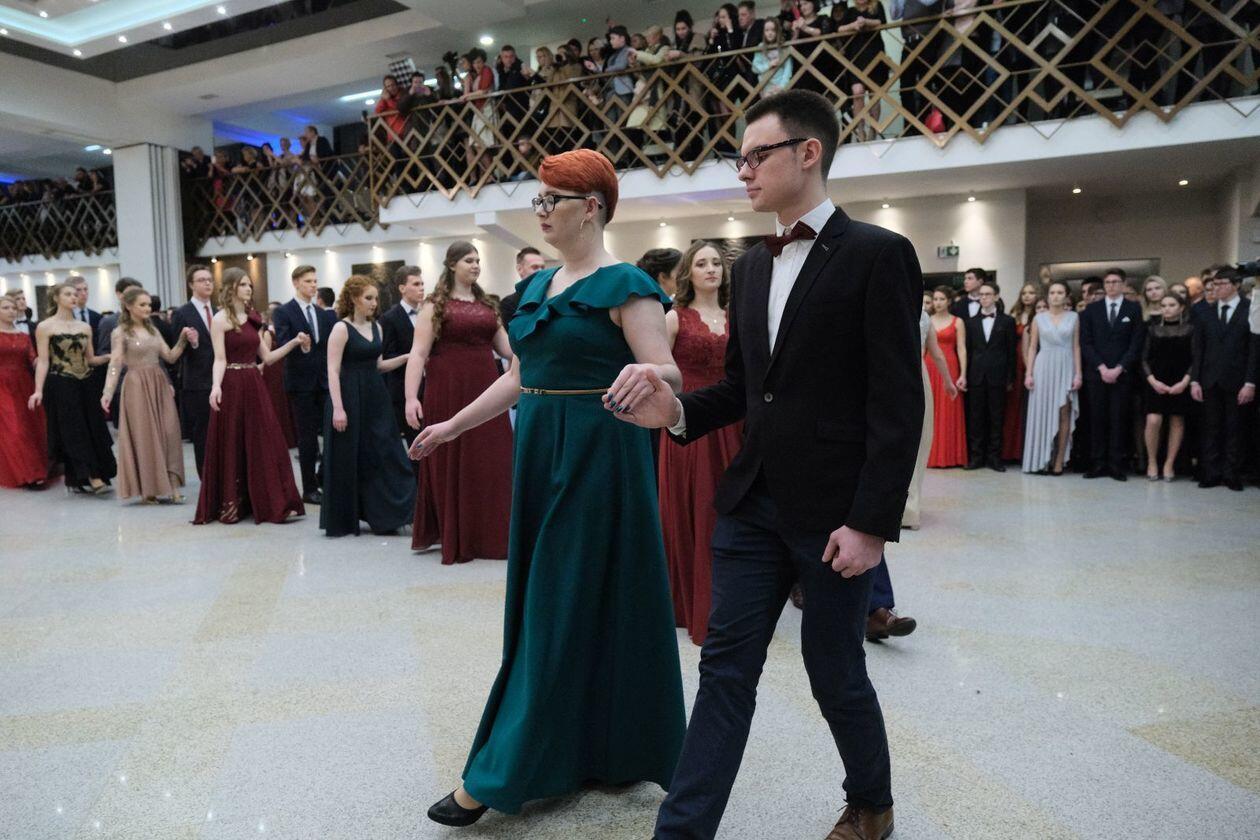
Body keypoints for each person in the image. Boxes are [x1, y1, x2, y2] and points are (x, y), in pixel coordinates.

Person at [618, 90, 920, 840]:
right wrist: (676, 413)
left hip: (834, 514)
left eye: (757, 155)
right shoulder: (752, 266)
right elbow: (743, 390)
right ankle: (681, 832)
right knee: (725, 669)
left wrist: (871, 524)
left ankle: (872, 802)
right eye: (741, 157)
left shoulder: (879, 254)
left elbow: (896, 404)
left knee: (834, 669)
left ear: (807, 153)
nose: (744, 170)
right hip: (751, 503)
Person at [413, 149, 685, 826]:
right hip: (539, 453)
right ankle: (593, 746)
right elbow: (519, 378)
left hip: (600, 454)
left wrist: (647, 377)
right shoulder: (537, 287)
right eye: (538, 199)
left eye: (549, 200)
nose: (539, 212)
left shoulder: (627, 285)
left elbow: (668, 370)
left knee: (557, 606)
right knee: (564, 599)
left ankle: (498, 772)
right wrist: (452, 425)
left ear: (590, 207)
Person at [403, 241, 513, 564]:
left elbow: (507, 349)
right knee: (451, 458)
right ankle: (456, 532)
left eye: (478, 260)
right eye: (469, 260)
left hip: (486, 388)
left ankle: (492, 533)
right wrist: (410, 397)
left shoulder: (486, 304)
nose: (476, 265)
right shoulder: (434, 304)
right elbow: (418, 353)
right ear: (452, 264)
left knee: (491, 458)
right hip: (447, 390)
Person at [657, 240, 743, 646]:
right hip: (690, 420)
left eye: (716, 263)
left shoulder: (735, 316)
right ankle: (692, 603)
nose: (711, 269)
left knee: (733, 509)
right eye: (702, 263)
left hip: (734, 421)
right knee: (697, 507)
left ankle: (733, 602)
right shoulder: (674, 317)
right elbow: (656, 371)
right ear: (688, 273)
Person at [194, 269, 309, 525]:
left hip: (254, 384)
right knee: (233, 441)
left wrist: (293, 343)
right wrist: (216, 386)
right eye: (243, 284)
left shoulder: (252, 318)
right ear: (231, 287)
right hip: (232, 384)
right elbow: (219, 359)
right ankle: (234, 503)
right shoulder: (220, 319)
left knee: (265, 441)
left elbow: (267, 357)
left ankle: (273, 502)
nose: (249, 289)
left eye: (250, 285)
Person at [321, 276, 416, 536]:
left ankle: (389, 513)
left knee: (385, 452)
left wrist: (408, 357)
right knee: (350, 456)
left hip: (375, 398)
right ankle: (349, 516)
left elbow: (379, 365)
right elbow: (332, 370)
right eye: (369, 298)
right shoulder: (341, 328)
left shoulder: (377, 327)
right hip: (349, 398)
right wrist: (338, 408)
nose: (374, 303)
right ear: (354, 299)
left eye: (376, 298)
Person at [100, 288, 197, 503]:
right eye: (142, 305)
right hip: (135, 385)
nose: (147, 308)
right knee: (144, 436)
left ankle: (172, 486)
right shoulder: (120, 332)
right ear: (128, 306)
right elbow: (115, 363)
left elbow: (170, 357)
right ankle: (149, 490)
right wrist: (107, 392)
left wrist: (182, 339)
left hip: (158, 382)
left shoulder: (153, 330)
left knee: (169, 432)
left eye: (148, 304)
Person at [28, 283, 115, 494]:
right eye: (68, 294)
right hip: (61, 384)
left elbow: (90, 359)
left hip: (86, 383)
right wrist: (38, 390)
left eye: (75, 294)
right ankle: (91, 476)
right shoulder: (45, 327)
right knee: (73, 430)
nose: (74, 297)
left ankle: (94, 474)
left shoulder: (84, 327)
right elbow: (43, 361)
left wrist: (111, 357)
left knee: (93, 427)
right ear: (56, 298)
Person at [272, 265, 337, 505]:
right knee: (307, 438)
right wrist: (300, 344)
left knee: (331, 432)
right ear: (296, 283)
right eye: (308, 281)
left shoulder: (324, 314)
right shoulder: (283, 312)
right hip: (300, 383)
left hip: (324, 382)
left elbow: (328, 348)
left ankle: (323, 476)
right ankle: (309, 488)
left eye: (315, 281)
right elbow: (282, 342)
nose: (313, 285)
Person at [1190, 270, 1257, 491]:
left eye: (1221, 283)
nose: (1216, 288)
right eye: (1214, 284)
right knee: (1211, 427)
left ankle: (1231, 473)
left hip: (1238, 379)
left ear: (1236, 285)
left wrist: (1250, 382)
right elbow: (1198, 348)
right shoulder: (1206, 312)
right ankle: (1211, 472)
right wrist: (1195, 380)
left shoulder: (1250, 309)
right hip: (1210, 379)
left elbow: (1254, 349)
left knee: (1235, 428)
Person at [1079, 268, 1145, 480]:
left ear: (1123, 284)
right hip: (1096, 373)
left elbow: (1136, 343)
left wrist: (1119, 368)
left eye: (1116, 282)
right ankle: (1097, 463)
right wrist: (1101, 367)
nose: (1111, 286)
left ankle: (1116, 465)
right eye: (1108, 282)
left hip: (1122, 374)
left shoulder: (1133, 309)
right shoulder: (1091, 310)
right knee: (1097, 419)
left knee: (1118, 419)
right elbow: (1086, 343)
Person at [1021, 281, 1081, 475]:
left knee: (1064, 412)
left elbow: (1076, 347)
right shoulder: (1038, 318)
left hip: (1065, 365)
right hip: (1043, 366)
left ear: (1066, 296)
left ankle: (1058, 461)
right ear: (1048, 296)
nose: (1055, 296)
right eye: (1052, 292)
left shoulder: (1074, 317)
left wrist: (1078, 373)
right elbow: (1032, 347)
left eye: (1060, 292)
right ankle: (1040, 459)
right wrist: (1029, 373)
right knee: (1041, 412)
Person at [905, 306, 957, 528]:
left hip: (891, 375)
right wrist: (948, 382)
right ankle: (910, 511)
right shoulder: (923, 316)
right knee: (918, 441)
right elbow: (936, 353)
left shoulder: (890, 307)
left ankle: (894, 509)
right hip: (917, 376)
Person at [962, 282, 1017, 471]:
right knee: (976, 418)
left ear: (996, 296)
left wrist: (1010, 378)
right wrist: (965, 375)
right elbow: (968, 351)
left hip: (998, 376)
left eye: (988, 294)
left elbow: (1011, 352)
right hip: (976, 376)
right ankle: (976, 457)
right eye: (981, 295)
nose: (984, 297)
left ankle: (995, 458)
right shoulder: (970, 322)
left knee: (996, 418)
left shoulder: (1007, 321)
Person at [1141, 293, 1195, 481]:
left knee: (1176, 420)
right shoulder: (1152, 329)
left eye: (1172, 305)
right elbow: (1144, 358)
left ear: (1181, 307)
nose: (1167, 308)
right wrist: (1153, 381)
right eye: (1164, 305)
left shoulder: (1190, 329)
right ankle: (1152, 461)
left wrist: (1185, 382)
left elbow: (1195, 358)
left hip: (1181, 381)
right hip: (1156, 381)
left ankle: (1169, 463)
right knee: (1153, 420)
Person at [170, 265, 217, 477]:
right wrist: (193, 343)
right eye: (201, 280)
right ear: (191, 285)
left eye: (210, 279)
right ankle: (205, 476)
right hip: (198, 382)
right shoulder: (182, 313)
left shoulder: (219, 311)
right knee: (203, 433)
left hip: (221, 378)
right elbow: (175, 350)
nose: (207, 283)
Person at [0, 295, 47, 488]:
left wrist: (46, 362)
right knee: (14, 428)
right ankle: (29, 474)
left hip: (23, 384)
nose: (11, 311)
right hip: (2, 386)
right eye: (5, 308)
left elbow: (33, 360)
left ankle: (32, 469)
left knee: (28, 427)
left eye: (13, 308)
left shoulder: (24, 336)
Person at [379, 265, 426, 447]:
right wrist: (410, 357)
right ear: (402, 288)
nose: (421, 288)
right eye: (416, 284)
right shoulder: (389, 318)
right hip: (403, 388)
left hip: (431, 385)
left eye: (422, 284)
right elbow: (386, 355)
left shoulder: (428, 314)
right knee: (416, 443)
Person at [835, 0, 889, 142]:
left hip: (875, 54)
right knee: (857, 92)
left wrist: (866, 22)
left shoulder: (877, 6)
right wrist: (853, 25)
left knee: (874, 95)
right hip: (856, 56)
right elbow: (840, 29)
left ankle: (873, 130)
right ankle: (860, 130)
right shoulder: (851, 11)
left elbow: (882, 22)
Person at [927, 286, 967, 467]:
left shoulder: (958, 322)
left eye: (941, 299)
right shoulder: (927, 320)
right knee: (930, 409)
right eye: (935, 299)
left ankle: (950, 456)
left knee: (948, 410)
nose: (937, 303)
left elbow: (962, 348)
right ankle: (930, 455)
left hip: (950, 366)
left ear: (949, 301)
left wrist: (963, 374)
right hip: (929, 366)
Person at [1003, 281, 1038, 461]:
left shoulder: (1040, 314)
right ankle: (1010, 451)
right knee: (1013, 406)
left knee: (1029, 405)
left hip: (1033, 360)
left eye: (1031, 293)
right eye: (1024, 293)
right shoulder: (1014, 315)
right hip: (1014, 361)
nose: (1027, 296)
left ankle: (1026, 450)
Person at [496, 247, 546, 325]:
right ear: (519, 269)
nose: (541, 271)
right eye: (535, 267)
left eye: (542, 267)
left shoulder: (550, 296)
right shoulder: (508, 303)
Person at [751, 16, 794, 96]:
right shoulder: (760, 47)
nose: (770, 33)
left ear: (777, 31)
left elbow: (788, 69)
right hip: (765, 85)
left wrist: (782, 86)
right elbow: (755, 68)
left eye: (773, 30)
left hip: (780, 85)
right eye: (767, 30)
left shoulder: (784, 47)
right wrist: (769, 65)